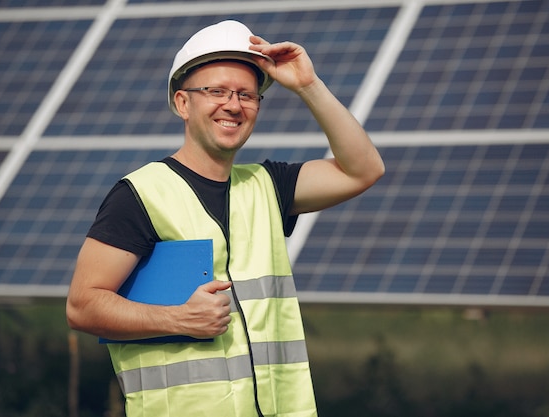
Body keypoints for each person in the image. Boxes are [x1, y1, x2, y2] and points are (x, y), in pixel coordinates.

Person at [66, 20, 384, 417]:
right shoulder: (141, 195)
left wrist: (307, 85)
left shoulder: (269, 185)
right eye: (215, 91)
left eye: (247, 95)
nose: (233, 105)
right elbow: (82, 306)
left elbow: (363, 170)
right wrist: (177, 318)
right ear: (183, 103)